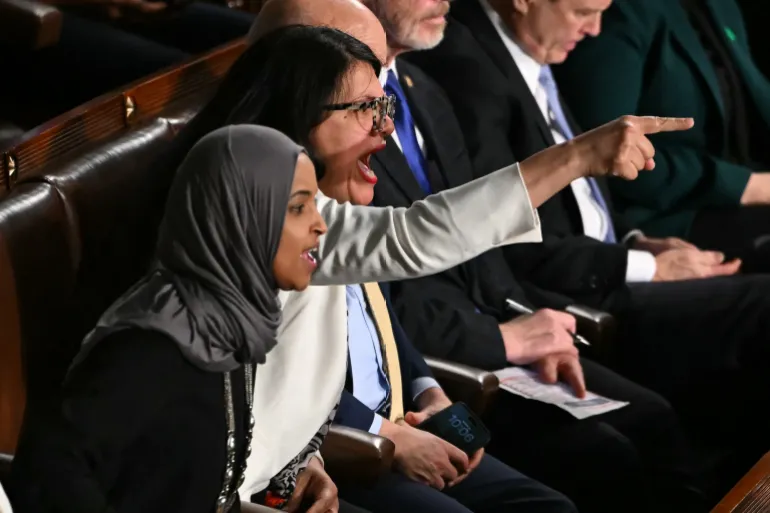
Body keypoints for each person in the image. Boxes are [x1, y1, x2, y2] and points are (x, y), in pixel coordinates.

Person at [355, 0, 716, 511]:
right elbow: (381, 284)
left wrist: (530, 321)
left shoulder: (419, 89)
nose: (444, 1)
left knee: (653, 417)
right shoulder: (340, 123)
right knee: (606, 458)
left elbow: (480, 247)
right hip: (450, 365)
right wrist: (498, 340)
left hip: (479, 346)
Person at [6, 124, 355, 513]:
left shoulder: (229, 324)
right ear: (239, 216)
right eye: (297, 207)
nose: (319, 224)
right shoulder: (149, 351)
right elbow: (46, 471)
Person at [553, 0, 770, 263]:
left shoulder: (720, 6)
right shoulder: (615, 10)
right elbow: (606, 151)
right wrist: (745, 186)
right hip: (662, 216)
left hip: (731, 197)